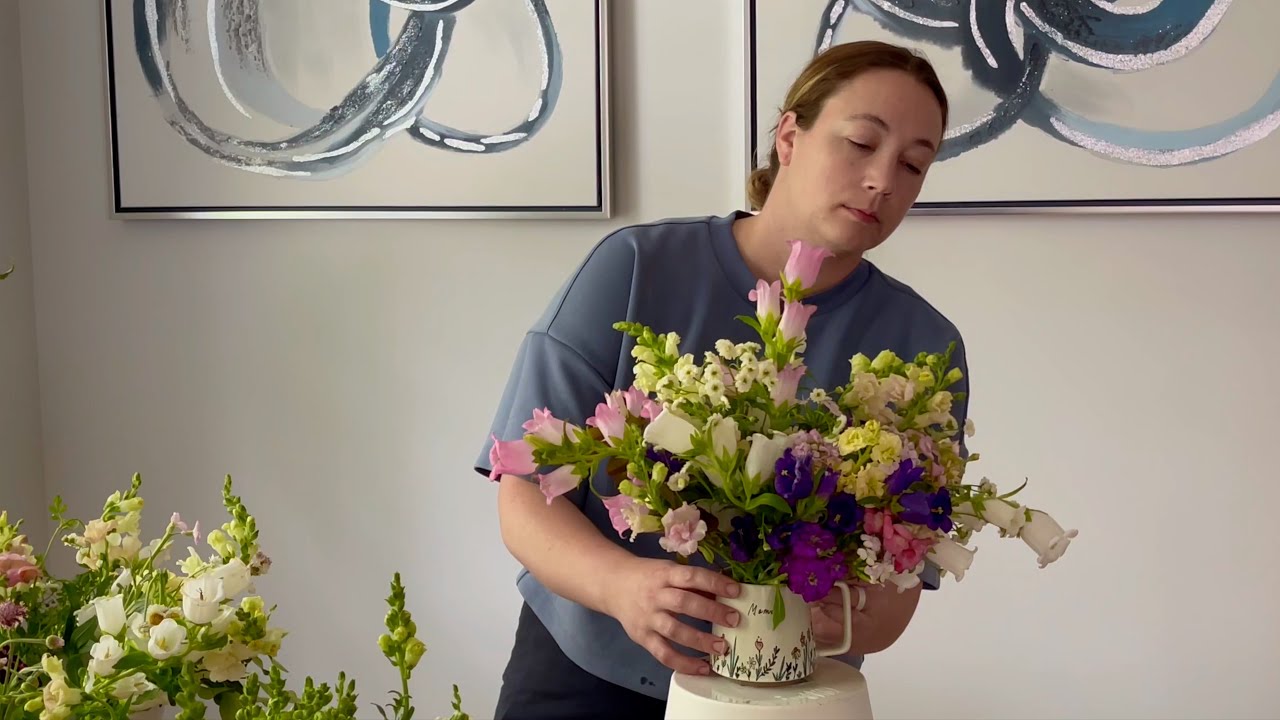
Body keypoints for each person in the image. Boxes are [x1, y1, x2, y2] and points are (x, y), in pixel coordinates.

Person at [474, 39, 970, 720]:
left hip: (783, 692)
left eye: (914, 164)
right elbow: (524, 493)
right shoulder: (635, 268)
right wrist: (622, 586)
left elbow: (906, 575)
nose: (884, 179)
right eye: (861, 143)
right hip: (585, 672)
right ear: (790, 136)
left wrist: (850, 621)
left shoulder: (923, 347)